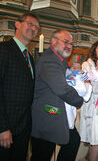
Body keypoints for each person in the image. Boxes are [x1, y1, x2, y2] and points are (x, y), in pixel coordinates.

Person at [30, 29, 84, 161]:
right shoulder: (50, 60)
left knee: (72, 141)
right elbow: (61, 89)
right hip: (46, 117)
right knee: (42, 154)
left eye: (71, 43)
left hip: (54, 114)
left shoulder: (61, 61)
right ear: (54, 41)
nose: (69, 46)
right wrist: (79, 100)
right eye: (66, 42)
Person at [0, 12, 40, 161]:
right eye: (30, 24)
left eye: (37, 27)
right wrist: (2, 127)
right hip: (6, 126)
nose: (34, 28)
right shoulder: (4, 49)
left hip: (23, 127)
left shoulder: (29, 57)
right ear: (17, 24)